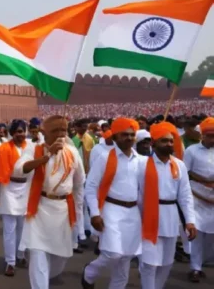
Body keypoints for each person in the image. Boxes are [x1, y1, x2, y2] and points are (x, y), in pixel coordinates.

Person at [17, 115, 85, 288]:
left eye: (64, 130)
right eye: (55, 131)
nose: (61, 134)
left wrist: (79, 214)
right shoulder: (34, 148)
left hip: (63, 210)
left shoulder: (73, 152)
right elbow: (20, 169)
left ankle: (47, 277)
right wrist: (47, 156)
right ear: (44, 133)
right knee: (38, 254)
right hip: (39, 208)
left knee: (60, 256)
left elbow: (79, 184)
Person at [82, 118, 145, 289]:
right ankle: (90, 272)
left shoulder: (140, 160)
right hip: (111, 210)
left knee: (125, 258)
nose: (129, 138)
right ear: (115, 137)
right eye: (124, 134)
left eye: (132, 135)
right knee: (114, 253)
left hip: (133, 213)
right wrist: (95, 213)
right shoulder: (104, 158)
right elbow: (91, 186)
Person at [138, 122, 196, 289]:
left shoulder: (179, 165)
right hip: (147, 218)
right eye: (164, 141)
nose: (169, 144)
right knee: (149, 264)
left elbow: (185, 195)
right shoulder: (142, 164)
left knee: (167, 263)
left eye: (171, 141)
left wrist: (190, 221)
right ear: (153, 143)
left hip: (170, 217)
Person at [0, 119, 33, 276]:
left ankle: (20, 255)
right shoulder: (3, 148)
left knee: (23, 227)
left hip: (26, 189)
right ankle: (10, 262)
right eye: (18, 131)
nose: (20, 134)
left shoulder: (31, 148)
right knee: (9, 229)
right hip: (8, 189)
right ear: (12, 133)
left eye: (23, 131)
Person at [184, 117, 214, 282]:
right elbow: (185, 172)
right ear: (202, 135)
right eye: (209, 136)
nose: (212, 139)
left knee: (210, 237)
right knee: (197, 234)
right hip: (196, 197)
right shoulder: (191, 151)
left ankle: (203, 262)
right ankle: (195, 268)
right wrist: (203, 181)